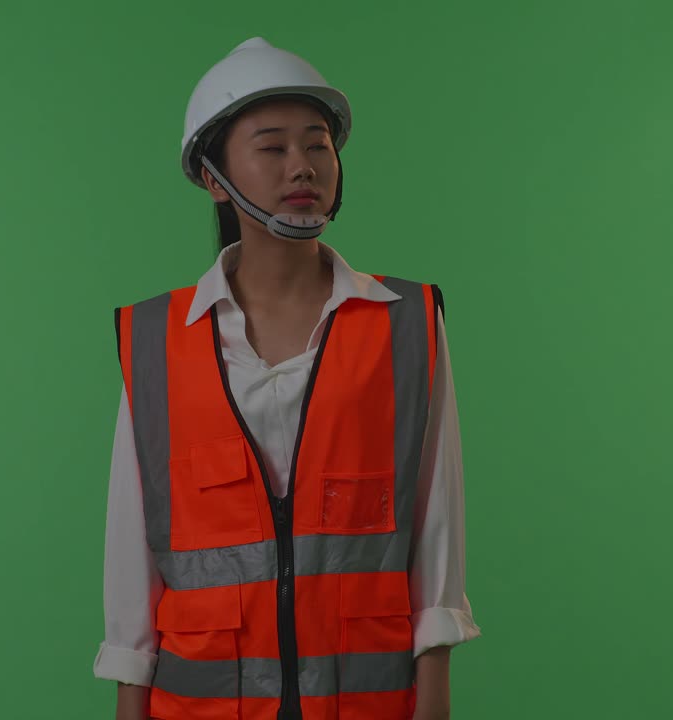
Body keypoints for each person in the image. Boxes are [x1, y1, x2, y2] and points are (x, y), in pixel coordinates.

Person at [95, 37, 480, 720]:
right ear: (213, 177)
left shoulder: (407, 323)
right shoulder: (157, 340)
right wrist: (129, 701)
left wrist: (435, 692)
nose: (301, 166)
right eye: (272, 148)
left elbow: (436, 518)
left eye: (318, 145)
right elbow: (133, 544)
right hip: (199, 705)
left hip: (365, 704)